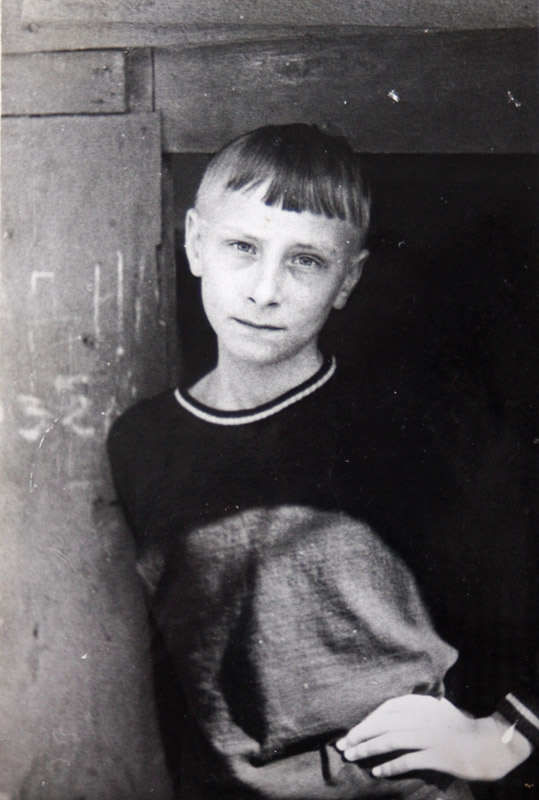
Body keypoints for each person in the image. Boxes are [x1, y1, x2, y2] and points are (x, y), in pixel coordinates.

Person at [107, 124, 536, 799]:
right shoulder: (141, 442)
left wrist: (506, 737)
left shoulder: (415, 430)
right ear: (194, 243)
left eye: (305, 260)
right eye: (242, 247)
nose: (265, 290)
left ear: (348, 278)